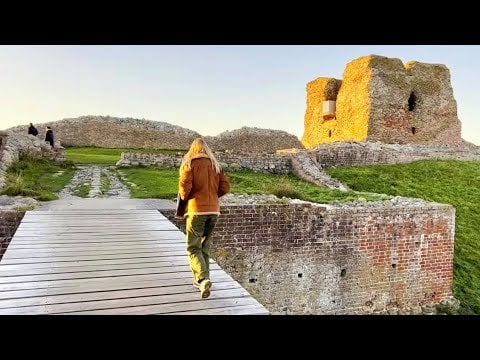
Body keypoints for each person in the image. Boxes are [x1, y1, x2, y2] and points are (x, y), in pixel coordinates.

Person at [178, 138, 230, 299]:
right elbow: (225, 187)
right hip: (214, 211)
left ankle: (201, 279)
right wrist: (213, 198)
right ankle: (205, 280)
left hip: (196, 211)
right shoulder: (216, 165)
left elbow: (184, 191)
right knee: (204, 247)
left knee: (193, 247)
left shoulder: (190, 163)